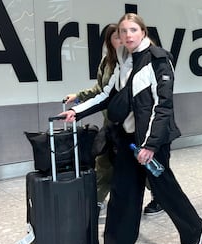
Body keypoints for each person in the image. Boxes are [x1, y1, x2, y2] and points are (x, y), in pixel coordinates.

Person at [60, 13, 202, 244]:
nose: (127, 35)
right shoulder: (124, 61)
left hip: (152, 141)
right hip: (127, 140)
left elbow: (163, 106)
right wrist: (78, 111)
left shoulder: (159, 60)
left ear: (143, 31)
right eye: (123, 31)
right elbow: (108, 94)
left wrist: (150, 146)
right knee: (123, 194)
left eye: (132, 30)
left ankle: (194, 227)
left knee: (163, 189)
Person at [65, 24, 163, 216]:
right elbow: (101, 91)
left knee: (143, 164)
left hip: (132, 126)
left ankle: (159, 196)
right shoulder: (108, 62)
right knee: (104, 161)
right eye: (119, 36)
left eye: (128, 34)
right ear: (110, 41)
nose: (125, 39)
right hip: (112, 124)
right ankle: (98, 201)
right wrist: (78, 98)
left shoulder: (137, 61)